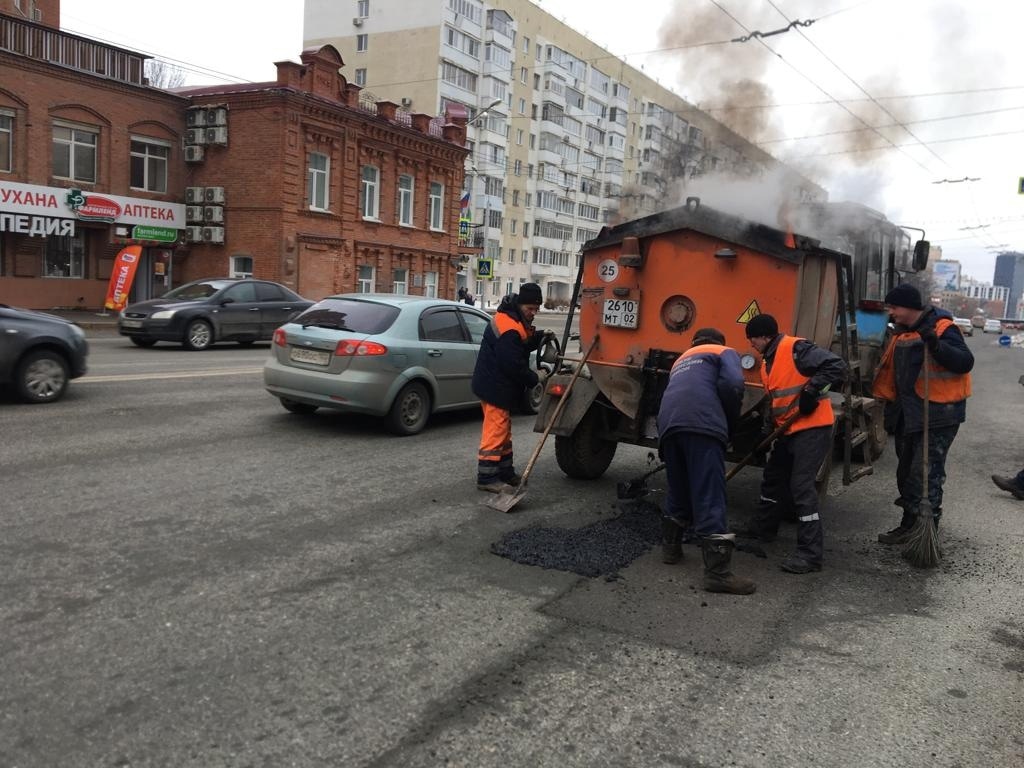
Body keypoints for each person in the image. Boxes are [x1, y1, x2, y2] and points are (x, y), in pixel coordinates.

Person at [742, 313, 847, 574]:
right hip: (787, 431)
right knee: (774, 477)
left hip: (811, 429)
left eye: (753, 339)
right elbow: (775, 404)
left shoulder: (796, 349)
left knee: (801, 487)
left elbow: (836, 365)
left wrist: (812, 391)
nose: (751, 344)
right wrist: (764, 437)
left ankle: (810, 554)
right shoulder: (766, 364)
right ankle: (763, 529)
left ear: (765, 336)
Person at [873, 284, 974, 543]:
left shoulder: (943, 328)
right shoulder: (902, 332)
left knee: (927, 474)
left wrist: (937, 346)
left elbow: (965, 361)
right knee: (906, 472)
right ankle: (908, 524)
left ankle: (925, 533)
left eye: (894, 307)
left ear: (909, 306)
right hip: (910, 414)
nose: (891, 312)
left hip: (939, 414)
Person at [657, 328, 754, 594]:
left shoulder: (683, 359)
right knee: (710, 493)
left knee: (679, 487)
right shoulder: (724, 352)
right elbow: (733, 384)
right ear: (719, 341)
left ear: (694, 343)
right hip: (701, 425)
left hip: (668, 426)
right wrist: (729, 422)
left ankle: (670, 549)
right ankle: (717, 574)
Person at [471, 283, 546, 493]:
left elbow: (521, 344)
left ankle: (505, 472)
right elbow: (512, 364)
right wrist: (535, 378)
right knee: (495, 431)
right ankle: (487, 478)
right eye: (530, 308)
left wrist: (539, 337)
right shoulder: (509, 328)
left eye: (536, 309)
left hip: (495, 385)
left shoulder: (512, 318)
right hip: (495, 386)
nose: (533, 313)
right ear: (520, 304)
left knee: (503, 430)